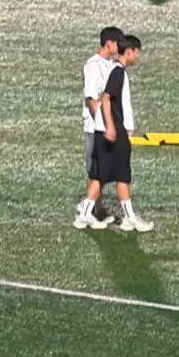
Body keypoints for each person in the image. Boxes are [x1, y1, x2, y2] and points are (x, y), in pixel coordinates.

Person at [97, 35, 154, 232]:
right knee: (122, 174)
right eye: (137, 52)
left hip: (118, 127)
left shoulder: (117, 70)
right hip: (117, 128)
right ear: (129, 52)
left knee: (117, 174)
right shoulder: (118, 72)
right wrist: (111, 126)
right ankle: (129, 218)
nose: (137, 57)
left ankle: (124, 216)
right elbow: (105, 98)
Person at [74, 26, 125, 229]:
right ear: (108, 44)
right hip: (96, 127)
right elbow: (92, 99)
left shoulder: (112, 65)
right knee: (95, 170)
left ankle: (95, 209)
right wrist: (104, 125)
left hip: (108, 126)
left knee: (103, 170)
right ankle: (89, 211)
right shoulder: (92, 65)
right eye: (117, 43)